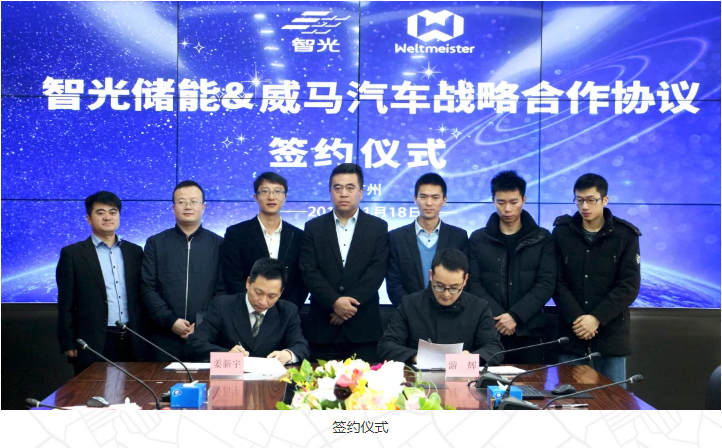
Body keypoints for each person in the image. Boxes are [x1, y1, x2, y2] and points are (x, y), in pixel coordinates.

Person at [553, 173, 641, 385]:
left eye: (591, 200)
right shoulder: (562, 233)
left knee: (614, 399)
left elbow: (629, 285)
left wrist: (596, 318)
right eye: (579, 200)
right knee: (568, 398)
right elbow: (555, 281)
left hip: (611, 333)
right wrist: (578, 318)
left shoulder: (625, 235)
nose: (585, 206)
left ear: (605, 200)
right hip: (571, 332)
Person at [299, 163, 388, 363]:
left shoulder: (378, 227)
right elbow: (309, 271)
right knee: (318, 382)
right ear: (330, 192)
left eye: (350, 188)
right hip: (323, 327)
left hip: (363, 329)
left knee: (367, 383)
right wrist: (334, 302)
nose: (343, 193)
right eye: (337, 188)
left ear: (361, 192)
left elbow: (376, 271)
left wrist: (347, 307)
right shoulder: (313, 227)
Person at [468, 171, 555, 364]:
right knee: (485, 383)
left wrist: (515, 316)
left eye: (513, 202)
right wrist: (499, 318)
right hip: (489, 332)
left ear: (524, 200)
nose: (507, 209)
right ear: (493, 200)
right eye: (501, 202)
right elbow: (473, 283)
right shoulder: (478, 238)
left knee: (531, 383)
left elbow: (546, 284)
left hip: (530, 332)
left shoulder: (542, 238)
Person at [56, 191, 147, 375]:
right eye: (100, 212)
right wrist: (68, 341)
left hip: (133, 339)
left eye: (113, 212)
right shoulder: (73, 254)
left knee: (134, 390)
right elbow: (65, 302)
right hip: (94, 340)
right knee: (93, 390)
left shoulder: (135, 251)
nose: (107, 217)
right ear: (89, 219)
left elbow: (143, 293)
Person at [141, 180, 225, 360]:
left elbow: (222, 290)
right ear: (173, 208)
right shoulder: (155, 243)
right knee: (160, 378)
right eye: (182, 202)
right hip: (163, 335)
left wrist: (203, 323)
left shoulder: (219, 244)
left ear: (203, 207)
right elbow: (148, 287)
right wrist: (170, 321)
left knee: (207, 379)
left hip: (207, 336)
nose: (188, 206)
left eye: (194, 201)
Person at [378, 249, 504, 364]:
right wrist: (417, 357)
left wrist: (472, 357)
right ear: (431, 276)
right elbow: (386, 345)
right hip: (418, 378)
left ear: (465, 280)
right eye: (440, 286)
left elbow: (494, 348)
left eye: (454, 288)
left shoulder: (479, 307)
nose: (446, 294)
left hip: (463, 377)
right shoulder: (410, 304)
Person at [186, 258, 309, 363]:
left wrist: (287, 354)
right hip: (229, 378)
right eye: (258, 292)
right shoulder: (222, 306)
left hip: (270, 380)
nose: (263, 301)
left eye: (272, 296)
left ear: (281, 292)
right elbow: (195, 344)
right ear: (248, 283)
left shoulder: (288, 311)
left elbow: (301, 346)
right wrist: (227, 355)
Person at [221, 172, 307, 309]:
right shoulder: (236, 234)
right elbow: (232, 278)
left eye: (277, 191)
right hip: (245, 311)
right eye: (265, 191)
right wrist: (252, 308)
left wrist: (286, 311)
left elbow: (301, 281)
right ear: (256, 197)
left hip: (286, 313)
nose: (271, 197)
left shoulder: (298, 236)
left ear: (285, 197)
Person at [386, 173, 468, 307]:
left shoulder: (458, 236)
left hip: (450, 313)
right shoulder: (396, 237)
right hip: (408, 313)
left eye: (435, 197)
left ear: (444, 200)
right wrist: (411, 311)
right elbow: (393, 283)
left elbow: (464, 280)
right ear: (415, 199)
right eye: (423, 197)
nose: (429, 203)